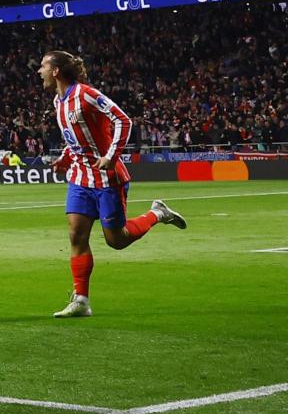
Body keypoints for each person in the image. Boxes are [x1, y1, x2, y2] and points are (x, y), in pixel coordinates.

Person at [40, 50, 187, 319]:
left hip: (108, 177)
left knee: (116, 241)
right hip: (80, 178)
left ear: (56, 71)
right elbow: (75, 139)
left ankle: (157, 213)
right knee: (76, 235)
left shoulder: (86, 94)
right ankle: (81, 300)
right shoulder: (57, 102)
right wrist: (65, 158)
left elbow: (123, 119)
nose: (40, 71)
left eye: (43, 66)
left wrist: (111, 156)